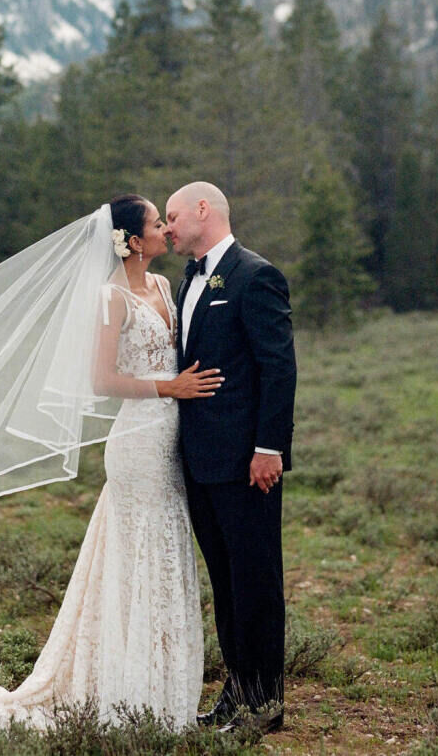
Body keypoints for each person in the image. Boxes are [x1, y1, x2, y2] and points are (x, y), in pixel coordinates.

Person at [0, 195, 221, 730]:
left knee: (167, 546)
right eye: (154, 224)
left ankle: (163, 685)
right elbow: (102, 381)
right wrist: (171, 387)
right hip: (139, 440)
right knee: (137, 551)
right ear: (131, 239)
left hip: (175, 439)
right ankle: (126, 691)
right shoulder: (111, 296)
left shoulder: (167, 287)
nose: (166, 230)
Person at [164, 181, 297, 735]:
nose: (166, 227)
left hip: (248, 463)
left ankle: (266, 705)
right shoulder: (185, 280)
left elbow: (278, 367)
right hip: (200, 463)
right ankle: (237, 692)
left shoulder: (255, 275)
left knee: (256, 582)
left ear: (203, 210)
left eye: (171, 216)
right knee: (225, 583)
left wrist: (269, 449)